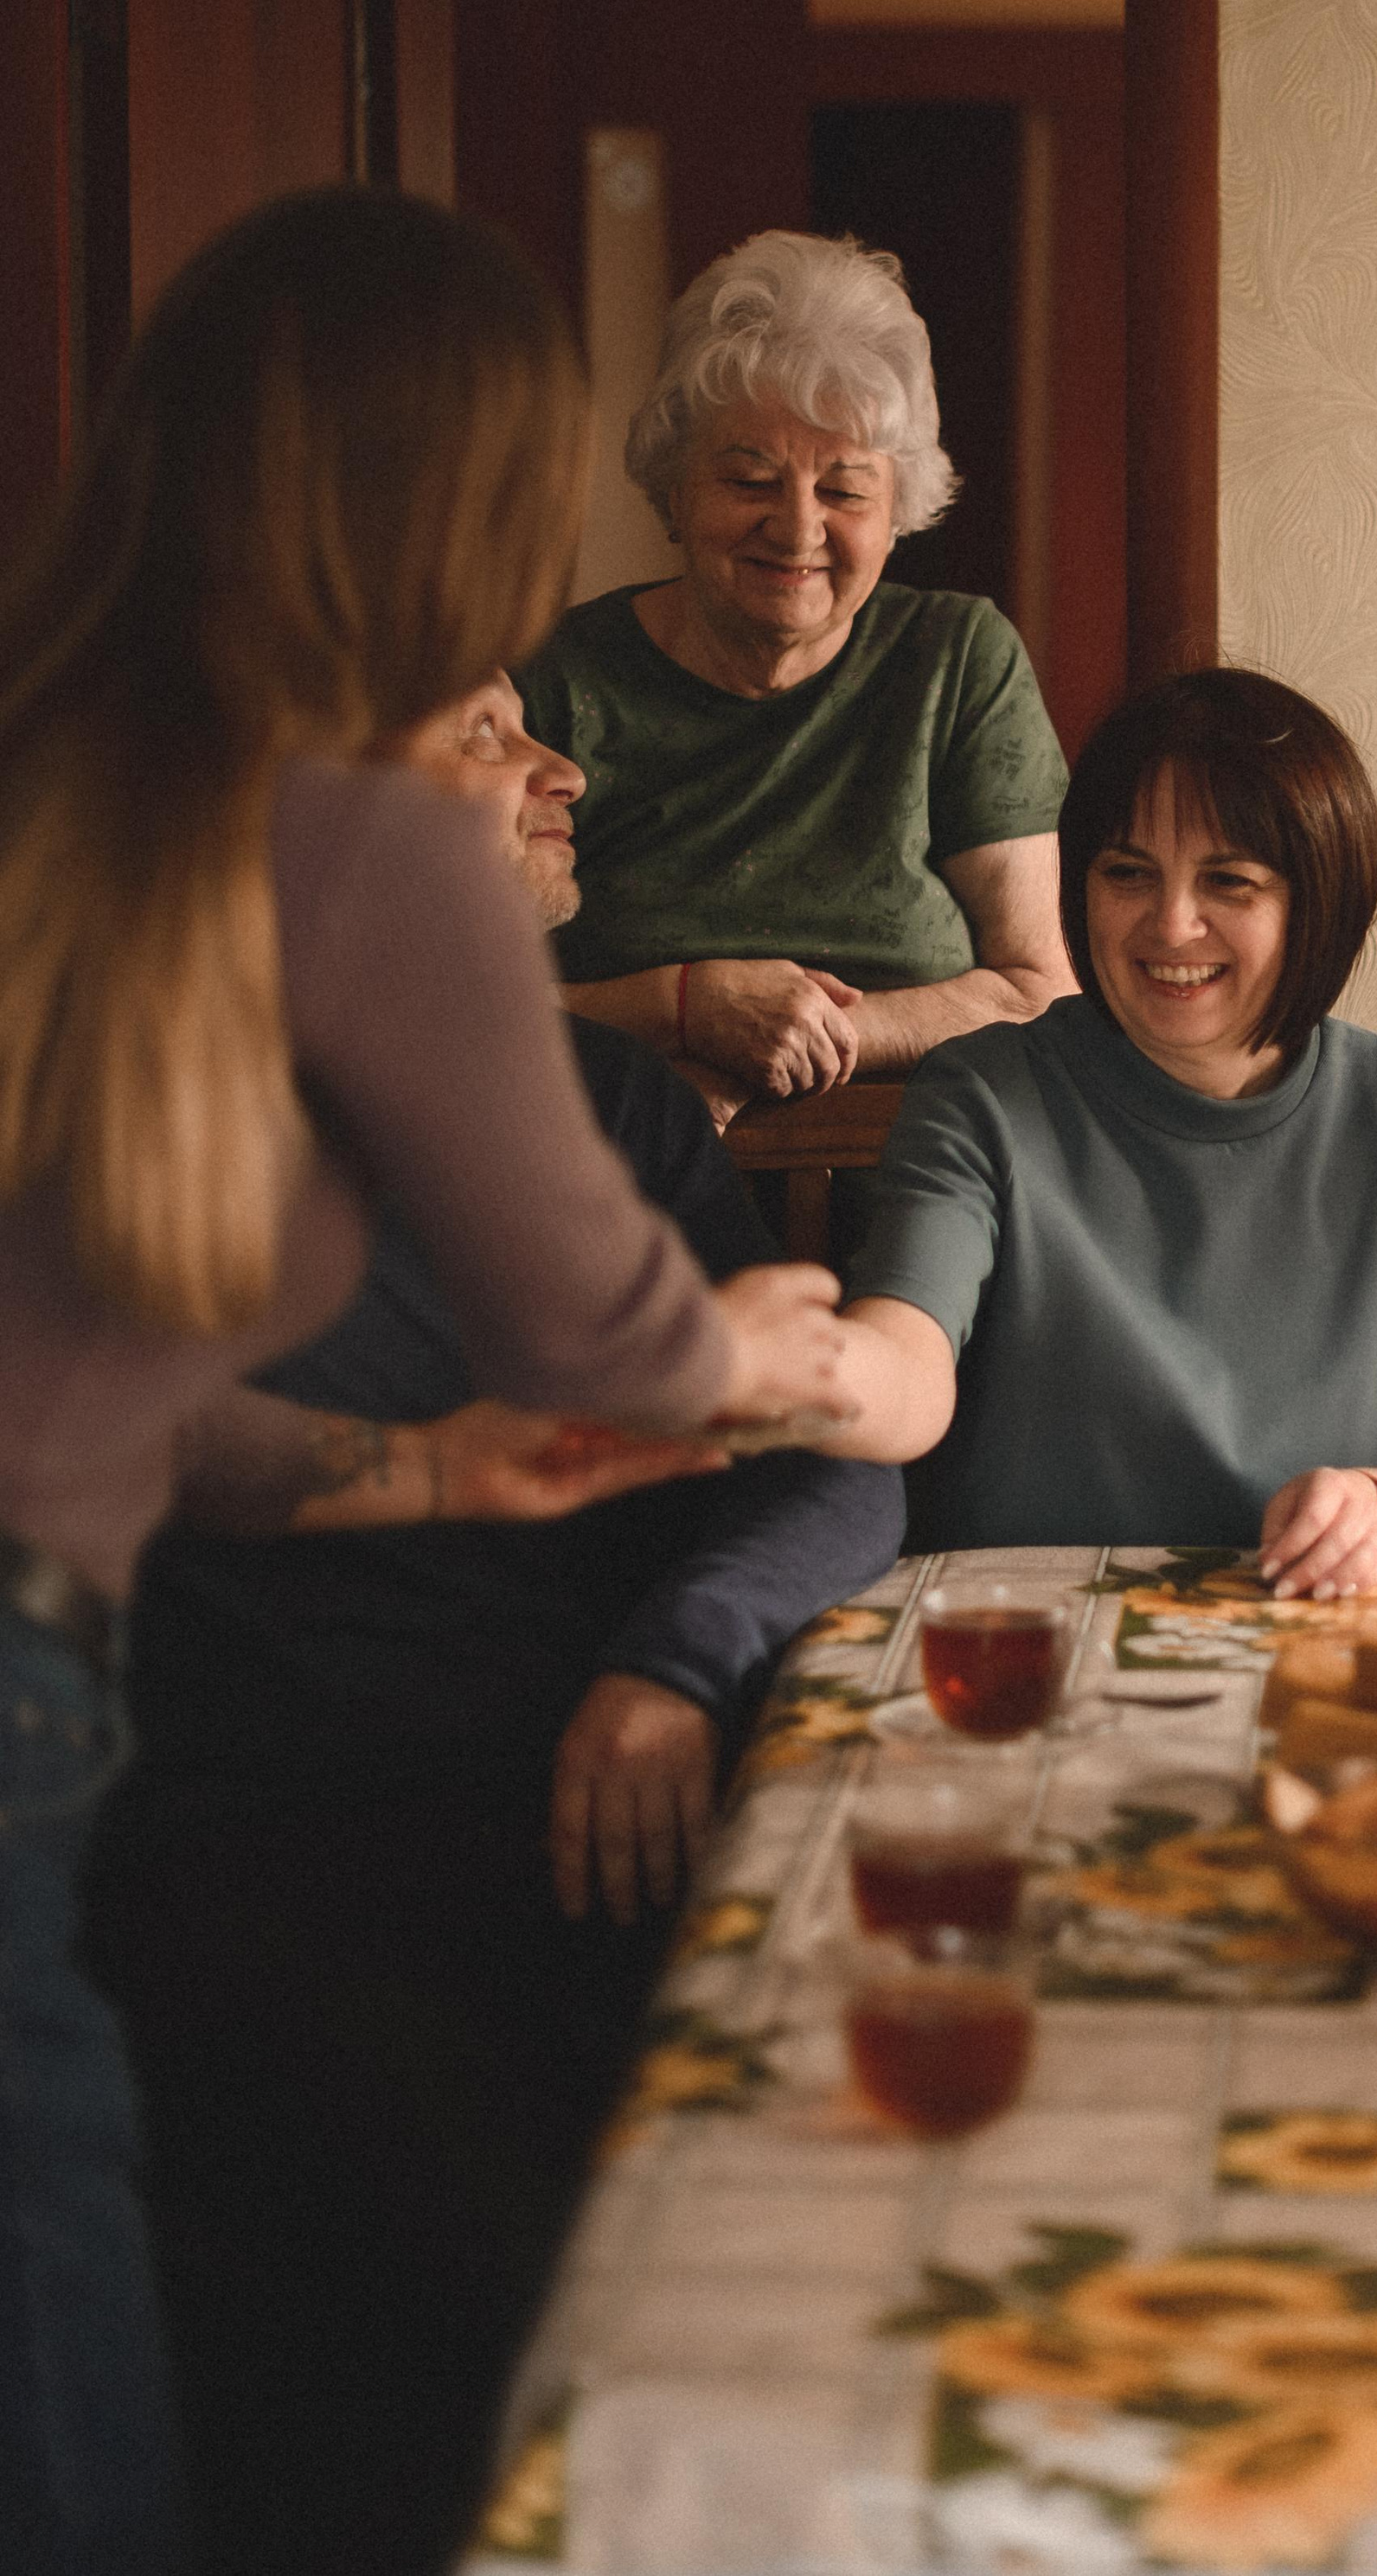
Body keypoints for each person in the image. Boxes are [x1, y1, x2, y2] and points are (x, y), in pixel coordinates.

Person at [0, 189, 851, 2576]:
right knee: (66, 2410)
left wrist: (418, 1464)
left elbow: (103, 1393)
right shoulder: (370, 844)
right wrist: (774, 1348)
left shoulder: (81, 776)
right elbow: (615, 1331)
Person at [80, 673, 903, 2576]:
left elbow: (832, 1461)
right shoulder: (163, 1095)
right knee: (539, 2290)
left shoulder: (606, 1102)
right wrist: (439, 1466)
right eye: (482, 735)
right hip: (268, 1830)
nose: (563, 774)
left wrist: (669, 1658)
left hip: (605, 1801)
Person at [815, 668, 1377, 1587]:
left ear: (1316, 904)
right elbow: (907, 1353)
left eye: (1229, 882)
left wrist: (1376, 1501)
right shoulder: (982, 1093)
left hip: (1306, 1630)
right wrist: (806, 1373)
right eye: (1127, 873)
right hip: (1022, 1638)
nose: (1170, 925)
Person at [517, 229, 1074, 1109]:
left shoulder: (956, 661)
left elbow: (1035, 990)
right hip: (628, 1201)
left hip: (925, 1199)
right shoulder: (548, 682)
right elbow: (456, 1003)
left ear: (901, 510)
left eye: (845, 489)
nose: (798, 527)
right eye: (749, 479)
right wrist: (685, 1009)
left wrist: (809, 1034)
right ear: (673, 488)